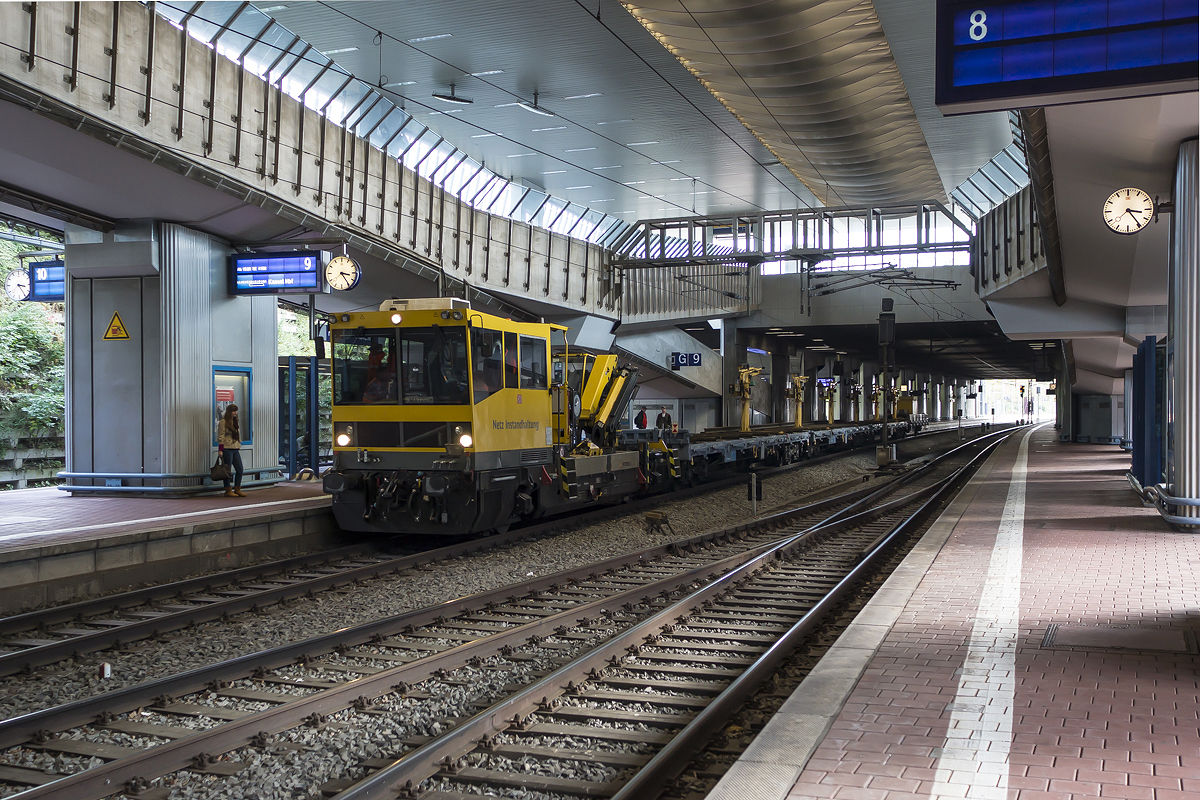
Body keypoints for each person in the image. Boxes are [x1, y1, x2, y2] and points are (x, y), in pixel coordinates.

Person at [217, 404, 245, 497]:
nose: (235, 413)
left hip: (235, 447)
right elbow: (220, 437)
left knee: (240, 469)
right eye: (233, 411)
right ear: (229, 412)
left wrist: (239, 443)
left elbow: (238, 434)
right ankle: (228, 489)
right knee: (227, 470)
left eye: (236, 411)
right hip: (227, 448)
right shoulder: (223, 422)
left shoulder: (235, 421)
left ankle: (237, 488)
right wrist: (220, 450)